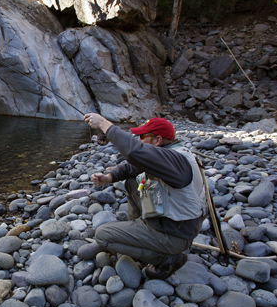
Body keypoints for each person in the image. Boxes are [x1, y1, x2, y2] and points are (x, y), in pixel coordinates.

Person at [81, 113, 207, 279]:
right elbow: (133, 166)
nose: (138, 139)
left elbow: (134, 152)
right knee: (132, 182)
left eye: (141, 136)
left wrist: (104, 124)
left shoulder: (175, 161)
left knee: (103, 236)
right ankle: (138, 231)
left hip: (174, 234)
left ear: (157, 141)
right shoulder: (170, 153)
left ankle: (166, 258)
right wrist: (108, 178)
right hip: (177, 224)